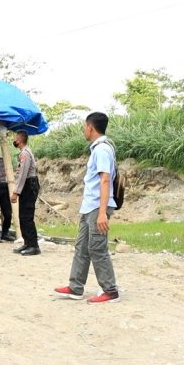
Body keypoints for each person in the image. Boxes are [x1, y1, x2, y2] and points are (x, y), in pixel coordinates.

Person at [54, 112, 120, 303]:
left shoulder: (102, 150)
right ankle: (75, 287)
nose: (84, 130)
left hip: (97, 207)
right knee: (82, 247)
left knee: (97, 248)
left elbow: (105, 180)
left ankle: (110, 290)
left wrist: (102, 213)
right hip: (89, 206)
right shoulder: (99, 149)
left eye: (85, 126)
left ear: (90, 127)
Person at [10, 130, 40, 256]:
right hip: (27, 185)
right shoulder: (23, 153)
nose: (14, 140)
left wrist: (15, 192)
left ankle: (34, 246)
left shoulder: (25, 154)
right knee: (23, 216)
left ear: (20, 140)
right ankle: (27, 243)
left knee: (27, 216)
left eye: (16, 138)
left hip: (29, 185)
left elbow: (22, 175)